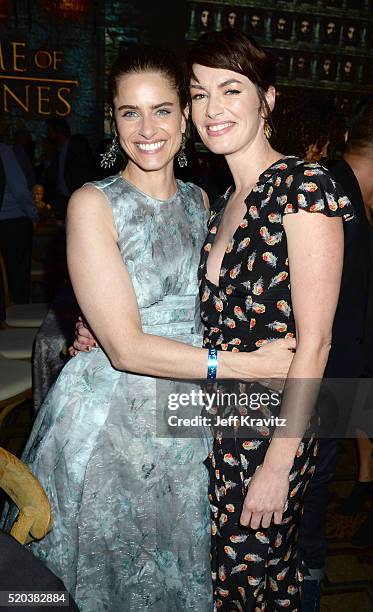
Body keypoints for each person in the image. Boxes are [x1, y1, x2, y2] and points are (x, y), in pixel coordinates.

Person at [1, 44, 295, 612]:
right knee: (104, 579)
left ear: (186, 116)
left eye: (162, 109)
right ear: (112, 120)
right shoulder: (93, 203)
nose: (147, 128)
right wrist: (248, 367)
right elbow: (127, 347)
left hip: (185, 417)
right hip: (112, 422)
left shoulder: (203, 200)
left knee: (169, 567)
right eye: (129, 112)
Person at [187, 29, 353, 610]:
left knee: (248, 581)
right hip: (210, 418)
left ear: (269, 100)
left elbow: (317, 343)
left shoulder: (304, 187)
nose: (212, 109)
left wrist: (279, 464)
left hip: (268, 431)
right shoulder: (219, 201)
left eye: (231, 90)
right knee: (221, 579)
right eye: (199, 93)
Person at [299, 97, 373, 611]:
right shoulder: (329, 197)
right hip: (308, 393)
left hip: (334, 393)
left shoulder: (366, 205)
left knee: (309, 510)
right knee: (300, 515)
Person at [0, 122, 38, 304]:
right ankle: (18, 315)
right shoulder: (4, 152)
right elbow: (20, 190)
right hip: (13, 222)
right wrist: (33, 215)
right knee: (17, 280)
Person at [42, 117, 95, 217]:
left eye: (49, 131)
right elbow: (51, 179)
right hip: (63, 201)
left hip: (79, 200)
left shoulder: (76, 146)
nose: (47, 135)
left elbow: (85, 172)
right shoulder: (56, 152)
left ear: (58, 132)